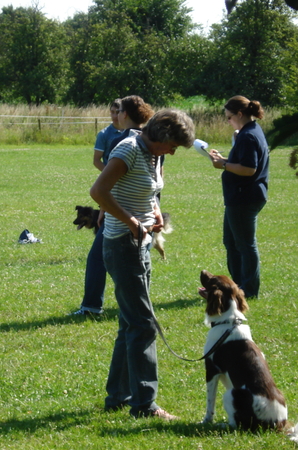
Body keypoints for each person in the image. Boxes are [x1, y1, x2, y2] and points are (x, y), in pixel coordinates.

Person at [90, 109, 195, 419]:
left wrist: (155, 211)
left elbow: (146, 188)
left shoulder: (152, 154)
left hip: (141, 243)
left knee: (130, 323)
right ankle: (144, 405)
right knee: (143, 324)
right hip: (124, 245)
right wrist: (133, 222)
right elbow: (99, 192)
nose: (173, 152)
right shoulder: (129, 149)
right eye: (173, 145)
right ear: (161, 134)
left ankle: (118, 397)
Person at [71, 96, 153, 316]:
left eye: (118, 111)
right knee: (139, 262)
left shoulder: (125, 142)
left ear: (124, 114)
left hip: (124, 212)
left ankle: (92, 307)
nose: (115, 114)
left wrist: (104, 209)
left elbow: (111, 185)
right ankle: (140, 307)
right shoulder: (151, 139)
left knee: (100, 258)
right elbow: (155, 179)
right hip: (145, 211)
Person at [207, 96, 270, 299]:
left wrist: (223, 165)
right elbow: (242, 162)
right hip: (240, 198)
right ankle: (236, 285)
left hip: (245, 198)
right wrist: (222, 159)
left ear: (240, 114)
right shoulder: (249, 132)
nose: (227, 121)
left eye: (229, 117)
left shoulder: (248, 136)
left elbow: (249, 169)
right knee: (232, 242)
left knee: (244, 244)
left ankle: (248, 290)